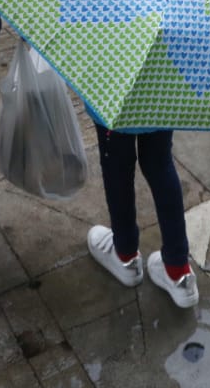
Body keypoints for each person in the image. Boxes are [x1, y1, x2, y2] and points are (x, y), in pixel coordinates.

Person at [85, 124, 199, 308]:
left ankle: (126, 256)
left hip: (113, 99)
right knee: (160, 162)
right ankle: (179, 273)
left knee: (116, 163)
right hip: (158, 98)